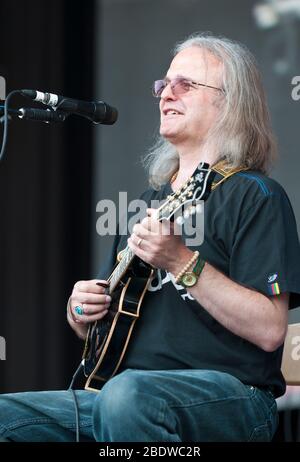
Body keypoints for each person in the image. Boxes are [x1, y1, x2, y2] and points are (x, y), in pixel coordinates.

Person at [1, 32, 300, 443]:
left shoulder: (256, 196)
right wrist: (82, 313)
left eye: (186, 85)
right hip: (121, 401)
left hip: (233, 399)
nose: (165, 94)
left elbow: (270, 329)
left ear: (231, 103)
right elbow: (109, 323)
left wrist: (181, 262)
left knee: (127, 396)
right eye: (163, 84)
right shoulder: (148, 205)